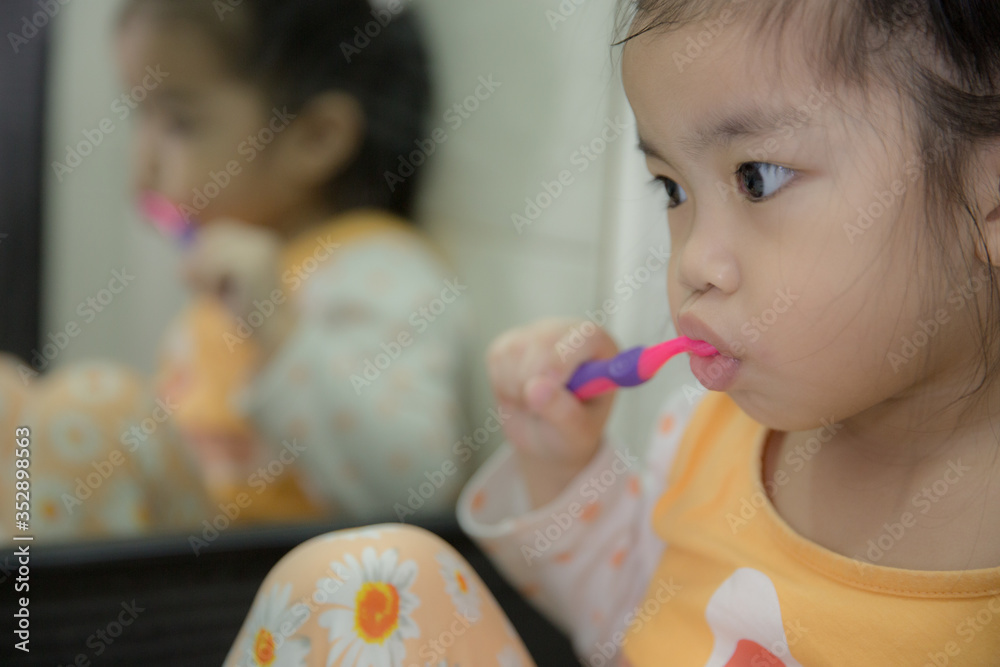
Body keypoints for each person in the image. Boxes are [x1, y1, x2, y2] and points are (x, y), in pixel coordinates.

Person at [222, 1, 1000, 665]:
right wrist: (564, 470)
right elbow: (630, 625)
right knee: (370, 582)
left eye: (757, 177)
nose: (695, 260)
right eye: (672, 189)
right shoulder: (705, 431)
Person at [0, 0, 472, 541]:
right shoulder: (230, 275)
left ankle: (24, 623)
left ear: (316, 137)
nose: (143, 167)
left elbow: (417, 488)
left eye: (179, 122)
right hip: (195, 566)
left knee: (97, 404)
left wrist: (276, 329)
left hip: (281, 592)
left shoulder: (379, 267)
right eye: (140, 117)